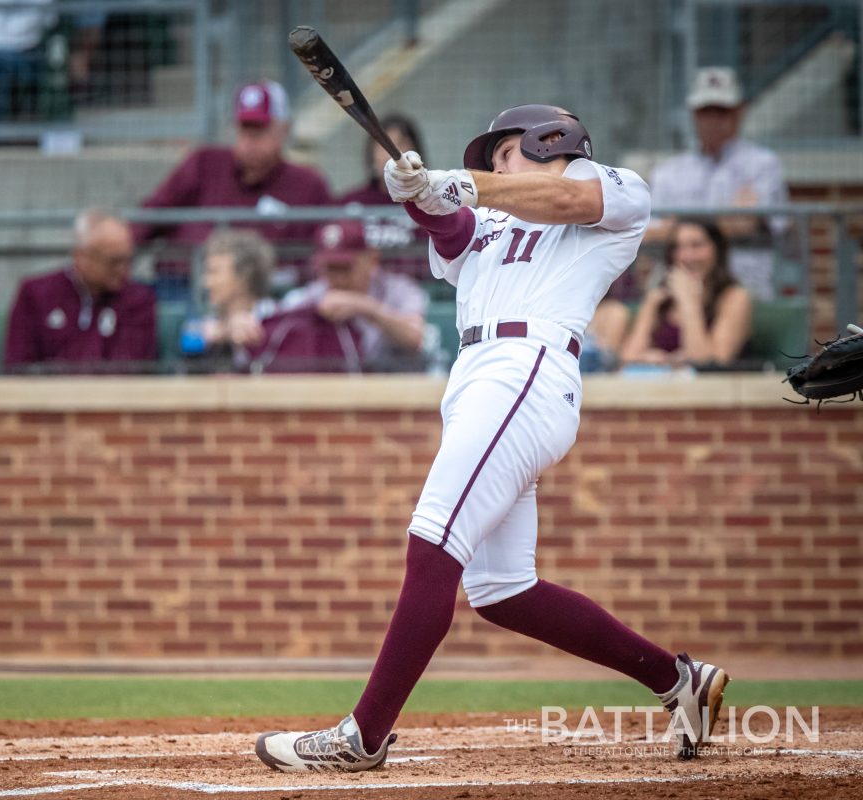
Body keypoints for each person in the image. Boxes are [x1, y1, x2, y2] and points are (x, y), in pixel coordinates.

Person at [255, 105, 729, 773]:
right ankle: (678, 680)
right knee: (503, 589)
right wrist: (417, 195)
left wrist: (464, 183)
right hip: (477, 377)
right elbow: (452, 235)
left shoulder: (615, 188)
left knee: (432, 540)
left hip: (526, 368)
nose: (487, 167)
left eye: (498, 154)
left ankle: (363, 736)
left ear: (545, 141)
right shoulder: (492, 218)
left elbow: (563, 198)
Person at [134, 81, 334, 291]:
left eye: (259, 131)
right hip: (186, 286)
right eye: (243, 129)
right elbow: (151, 215)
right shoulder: (203, 163)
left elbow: (327, 248)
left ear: (283, 131)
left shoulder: (309, 184)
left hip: (268, 295)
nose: (249, 141)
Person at [648, 67, 788, 300]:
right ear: (693, 114)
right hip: (681, 288)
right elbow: (649, 234)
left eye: (722, 111)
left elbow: (746, 224)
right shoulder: (668, 172)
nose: (713, 120)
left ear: (739, 112)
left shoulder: (763, 163)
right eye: (706, 111)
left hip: (746, 286)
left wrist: (677, 226)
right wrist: (724, 220)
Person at [3, 210, 156, 371]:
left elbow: (129, 370)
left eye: (128, 259)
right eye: (114, 261)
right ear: (81, 256)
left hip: (110, 395)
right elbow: (18, 366)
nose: (124, 270)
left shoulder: (138, 300)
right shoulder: (35, 294)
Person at [280, 220, 427, 371]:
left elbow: (415, 338)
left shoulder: (400, 289)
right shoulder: (316, 293)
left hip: (395, 385)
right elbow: (275, 322)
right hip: (337, 387)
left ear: (372, 259)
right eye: (331, 269)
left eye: (345, 268)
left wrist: (365, 306)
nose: (338, 278)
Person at [620, 217, 752, 368]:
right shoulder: (658, 298)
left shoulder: (735, 297)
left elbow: (710, 364)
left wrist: (688, 301)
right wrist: (654, 359)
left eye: (697, 245)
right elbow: (627, 359)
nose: (686, 257)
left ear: (717, 249)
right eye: (677, 247)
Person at [338, 114, 429, 276]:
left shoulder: (432, 202)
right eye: (383, 145)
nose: (392, 154)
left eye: (401, 144)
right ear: (371, 153)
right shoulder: (350, 202)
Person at [181, 229, 277, 370]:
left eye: (214, 272)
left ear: (244, 275)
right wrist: (225, 331)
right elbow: (188, 341)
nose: (206, 282)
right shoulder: (205, 323)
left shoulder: (275, 317)